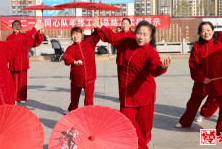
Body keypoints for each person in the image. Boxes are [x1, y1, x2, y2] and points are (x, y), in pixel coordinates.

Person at [94, 17, 171, 149]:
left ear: (150, 37)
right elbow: (112, 37)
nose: (141, 37)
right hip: (127, 94)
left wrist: (162, 68)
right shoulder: (126, 43)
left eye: (145, 34)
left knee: (144, 131)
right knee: (127, 124)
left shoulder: (151, 53)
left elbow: (155, 68)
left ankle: (141, 144)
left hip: (143, 96)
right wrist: (102, 28)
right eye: (139, 33)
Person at [175, 22, 222, 137]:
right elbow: (193, 65)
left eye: (208, 30)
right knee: (192, 104)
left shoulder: (221, 46)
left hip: (218, 83)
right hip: (201, 83)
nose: (206, 33)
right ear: (200, 33)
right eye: (203, 30)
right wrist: (201, 78)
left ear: (213, 31)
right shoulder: (196, 47)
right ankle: (185, 122)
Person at [63, 26, 101, 114]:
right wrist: (74, 62)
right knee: (74, 98)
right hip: (76, 77)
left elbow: (98, 35)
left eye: (77, 34)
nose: (75, 36)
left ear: (82, 34)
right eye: (73, 35)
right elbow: (66, 57)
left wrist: (97, 28)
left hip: (90, 76)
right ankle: (72, 111)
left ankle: (88, 113)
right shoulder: (71, 48)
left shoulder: (89, 42)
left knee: (89, 97)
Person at [6, 20, 44, 104]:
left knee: (22, 82)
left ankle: (22, 97)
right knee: (13, 82)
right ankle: (14, 97)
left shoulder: (25, 36)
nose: (17, 26)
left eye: (18, 25)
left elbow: (35, 42)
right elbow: (7, 50)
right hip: (13, 62)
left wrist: (40, 33)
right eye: (15, 25)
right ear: (12, 27)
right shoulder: (9, 38)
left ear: (21, 27)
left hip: (23, 62)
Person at [101, 18, 135, 91]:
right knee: (121, 80)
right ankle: (122, 97)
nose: (124, 25)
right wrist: (99, 29)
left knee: (131, 79)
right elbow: (106, 37)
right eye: (123, 24)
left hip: (131, 62)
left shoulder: (134, 35)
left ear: (130, 25)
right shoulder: (118, 34)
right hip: (121, 61)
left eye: (126, 24)